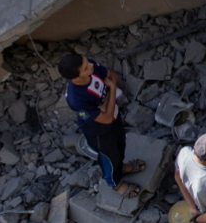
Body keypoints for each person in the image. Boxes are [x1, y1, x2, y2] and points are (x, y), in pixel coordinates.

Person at [59, 53, 145, 198]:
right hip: (99, 132)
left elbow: (112, 76)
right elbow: (105, 119)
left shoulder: (90, 67)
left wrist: (105, 105)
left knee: (120, 144)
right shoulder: (76, 99)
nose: (91, 65)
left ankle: (122, 167)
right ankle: (114, 182)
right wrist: (111, 90)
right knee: (108, 158)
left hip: (114, 117)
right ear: (76, 77)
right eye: (86, 68)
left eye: (87, 62)